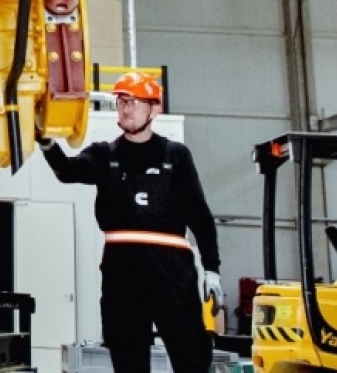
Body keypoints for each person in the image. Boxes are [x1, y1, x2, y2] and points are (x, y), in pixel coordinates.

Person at [41, 70, 222, 373]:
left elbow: (200, 216)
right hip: (122, 275)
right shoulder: (104, 155)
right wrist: (45, 142)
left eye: (134, 102)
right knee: (128, 362)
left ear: (155, 108)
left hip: (172, 275)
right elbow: (68, 171)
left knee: (191, 359)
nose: (126, 109)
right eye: (122, 102)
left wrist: (212, 269)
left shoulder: (176, 156)